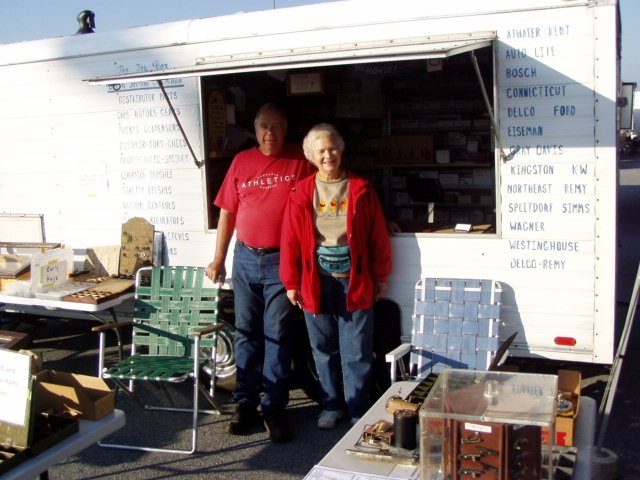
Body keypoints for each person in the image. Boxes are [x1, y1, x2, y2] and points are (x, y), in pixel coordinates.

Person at [206, 103, 315, 443]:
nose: (271, 133)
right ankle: (245, 403)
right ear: (255, 130)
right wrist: (218, 259)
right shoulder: (241, 161)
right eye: (264, 126)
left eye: (277, 126)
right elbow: (227, 213)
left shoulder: (302, 160)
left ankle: (274, 406)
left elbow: (333, 185)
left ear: (287, 128)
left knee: (278, 333)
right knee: (246, 333)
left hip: (283, 261)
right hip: (245, 258)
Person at [280, 123, 393, 429]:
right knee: (323, 349)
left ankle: (358, 408)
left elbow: (378, 236)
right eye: (321, 150)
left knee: (357, 350)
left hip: (355, 280)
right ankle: (331, 406)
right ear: (311, 155)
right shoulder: (301, 192)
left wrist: (382, 275)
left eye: (332, 148)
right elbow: (290, 240)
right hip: (315, 281)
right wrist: (291, 282)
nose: (328, 155)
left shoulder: (361, 188)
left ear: (341, 150)